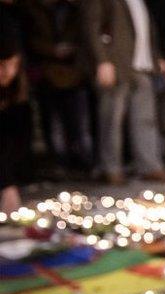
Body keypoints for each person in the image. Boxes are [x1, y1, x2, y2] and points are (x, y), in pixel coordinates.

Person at [82, 0, 165, 184]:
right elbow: (92, 26)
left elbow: (147, 28)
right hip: (116, 64)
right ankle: (111, 168)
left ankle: (150, 166)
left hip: (142, 65)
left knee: (146, 119)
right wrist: (102, 60)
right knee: (112, 120)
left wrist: (156, 56)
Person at [25, 0, 94, 177]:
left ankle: (79, 160)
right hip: (47, 72)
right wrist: (52, 50)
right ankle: (58, 162)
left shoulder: (72, 10)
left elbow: (83, 35)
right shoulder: (34, 10)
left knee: (76, 121)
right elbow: (30, 39)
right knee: (52, 122)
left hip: (73, 72)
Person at [1, 29, 30, 211]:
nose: (8, 72)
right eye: (2, 65)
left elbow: (19, 138)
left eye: (14, 65)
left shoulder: (17, 91)